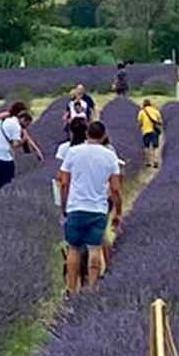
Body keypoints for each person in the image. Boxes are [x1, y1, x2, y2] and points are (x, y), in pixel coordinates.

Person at [58, 121, 123, 293]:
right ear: (103, 136)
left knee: (73, 249)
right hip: (98, 209)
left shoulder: (73, 152)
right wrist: (118, 212)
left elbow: (64, 182)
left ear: (87, 134)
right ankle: (93, 287)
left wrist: (64, 205)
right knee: (95, 249)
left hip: (76, 207)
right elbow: (115, 188)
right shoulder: (109, 156)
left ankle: (71, 289)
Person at [0, 107, 34, 191]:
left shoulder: (4, 120)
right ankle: (3, 196)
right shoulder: (16, 126)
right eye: (27, 124)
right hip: (2, 156)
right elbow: (15, 144)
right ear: (23, 120)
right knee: (6, 180)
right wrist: (23, 140)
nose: (26, 127)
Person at [137, 99, 164, 168]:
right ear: (150, 104)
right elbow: (160, 121)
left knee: (146, 147)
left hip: (145, 131)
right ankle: (155, 162)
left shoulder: (141, 112)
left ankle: (148, 162)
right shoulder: (155, 111)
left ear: (144, 104)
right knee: (155, 147)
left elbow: (140, 123)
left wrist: (139, 128)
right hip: (154, 131)